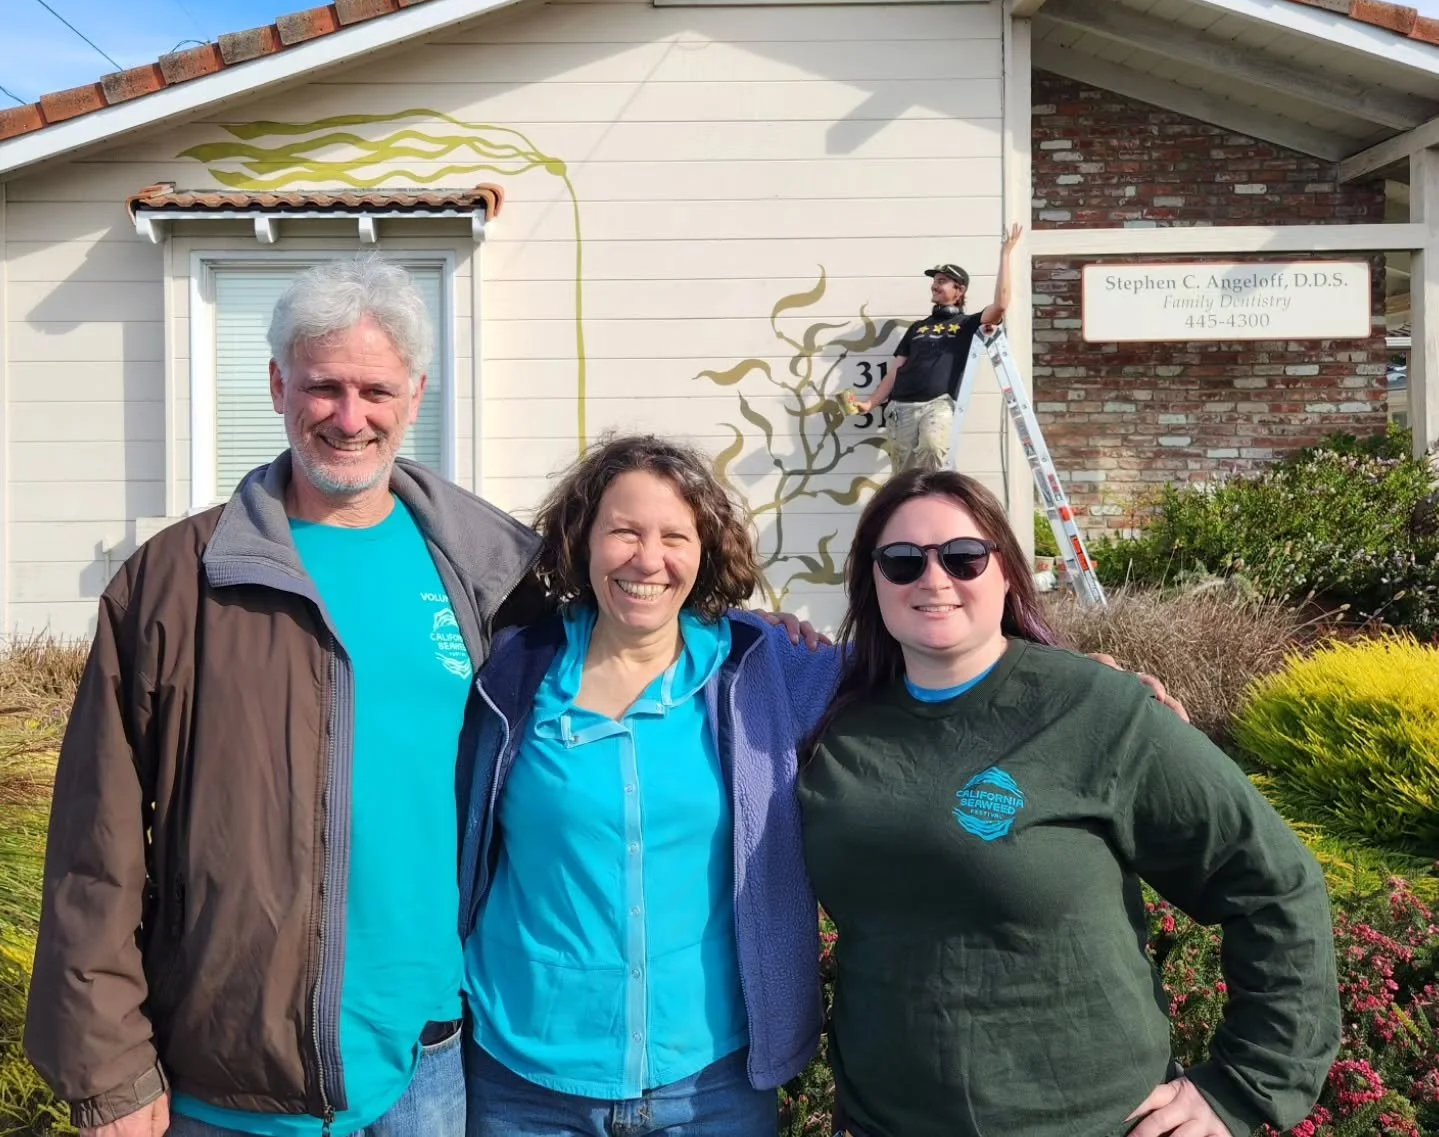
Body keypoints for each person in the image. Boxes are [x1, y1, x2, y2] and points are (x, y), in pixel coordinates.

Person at [457, 436, 1190, 1137]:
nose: (648, 559)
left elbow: (930, 663)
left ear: (705, 549)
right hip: (526, 1074)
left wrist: (1071, 676)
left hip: (709, 1082)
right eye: (623, 531)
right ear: (581, 538)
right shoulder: (510, 673)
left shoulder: (767, 667)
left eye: (674, 536)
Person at [25, 256, 543, 1137]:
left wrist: (770, 641)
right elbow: (95, 843)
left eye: (375, 389)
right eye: (323, 386)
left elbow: (641, 629)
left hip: (427, 1065)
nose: (349, 416)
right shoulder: (176, 583)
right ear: (276, 385)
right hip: (226, 1077)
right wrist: (109, 1066)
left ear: (415, 394)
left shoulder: (491, 577)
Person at [797, 468, 1341, 1137]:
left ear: (1005, 572)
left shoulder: (1099, 709)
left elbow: (1271, 883)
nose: (932, 579)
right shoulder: (835, 718)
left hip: (1091, 1120)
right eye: (902, 561)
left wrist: (1244, 1083)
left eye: (963, 557)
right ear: (871, 580)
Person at [854, 223, 1023, 471]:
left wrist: (1005, 254)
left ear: (959, 290)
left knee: (933, 449)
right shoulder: (917, 328)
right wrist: (871, 403)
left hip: (939, 403)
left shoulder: (967, 323)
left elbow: (1000, 304)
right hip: (901, 407)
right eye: (934, 281)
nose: (935, 285)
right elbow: (895, 371)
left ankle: (931, 501)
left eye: (942, 281)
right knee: (904, 475)